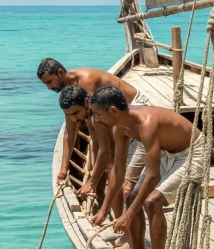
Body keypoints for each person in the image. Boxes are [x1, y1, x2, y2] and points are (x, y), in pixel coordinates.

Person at [88, 86, 198, 249]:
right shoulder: (119, 128)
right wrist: (104, 210)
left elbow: (153, 175)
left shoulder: (146, 123)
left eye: (98, 114)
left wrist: (128, 215)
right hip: (166, 152)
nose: (96, 119)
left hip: (192, 151)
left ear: (112, 111)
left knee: (152, 201)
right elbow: (118, 171)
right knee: (131, 197)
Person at [38, 57, 147, 203]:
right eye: (45, 84)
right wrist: (64, 167)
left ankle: (117, 191)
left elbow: (102, 138)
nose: (49, 88)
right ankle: (105, 195)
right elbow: (70, 131)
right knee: (102, 156)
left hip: (134, 107)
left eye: (50, 82)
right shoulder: (70, 94)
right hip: (111, 114)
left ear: (60, 73)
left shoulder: (85, 83)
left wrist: (93, 179)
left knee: (111, 161)